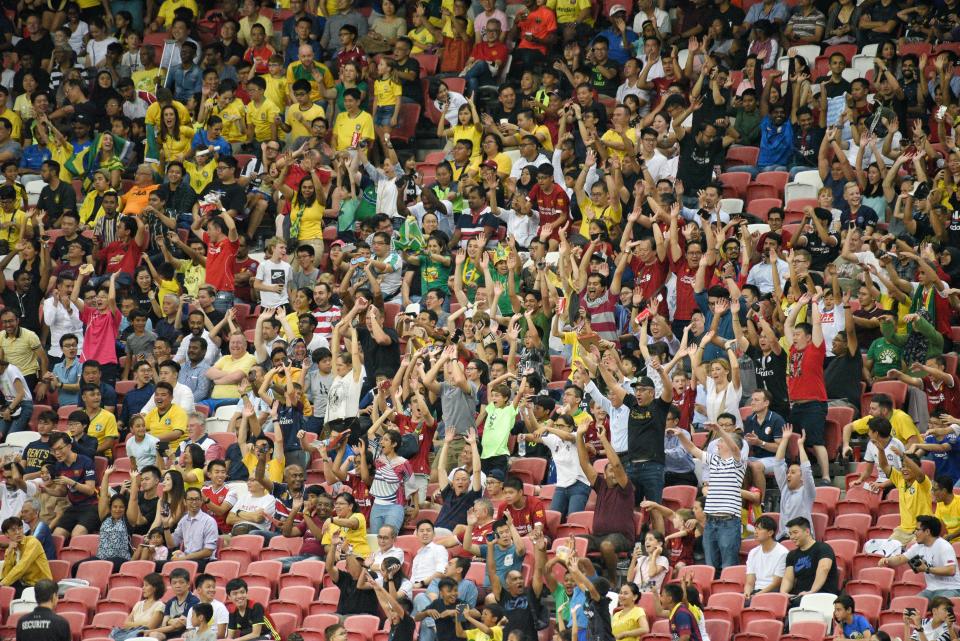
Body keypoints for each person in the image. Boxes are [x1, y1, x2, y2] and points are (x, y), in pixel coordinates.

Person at [879, 515, 960, 600]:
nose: (914, 532)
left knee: (939, 605)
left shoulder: (944, 546)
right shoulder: (918, 546)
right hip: (931, 590)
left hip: (952, 589)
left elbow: (951, 570)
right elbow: (901, 559)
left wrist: (927, 569)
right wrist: (887, 560)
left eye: (917, 530)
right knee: (912, 608)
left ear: (927, 531)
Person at [780, 516, 840, 605]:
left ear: (807, 532)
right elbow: (788, 579)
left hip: (822, 596)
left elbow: (824, 569)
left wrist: (811, 592)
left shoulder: (823, 548)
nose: (792, 537)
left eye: (795, 533)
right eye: (790, 534)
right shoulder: (792, 555)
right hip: (800, 596)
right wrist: (783, 593)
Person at [772, 425, 816, 540]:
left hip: (802, 539)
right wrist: (785, 439)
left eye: (792, 472)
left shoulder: (808, 492)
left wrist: (800, 446)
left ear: (801, 478)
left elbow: (806, 470)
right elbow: (777, 464)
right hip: (783, 537)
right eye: (788, 472)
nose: (788, 475)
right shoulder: (785, 488)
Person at [1, 516, 52, 595]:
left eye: (20, 528)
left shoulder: (32, 542)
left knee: (5, 590)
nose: (18, 532)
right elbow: (5, 575)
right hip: (25, 584)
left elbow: (22, 567)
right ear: (6, 534)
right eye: (13, 530)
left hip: (41, 586)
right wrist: (9, 553)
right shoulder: (11, 548)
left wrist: (2, 584)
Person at [744, 514, 788, 599]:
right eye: (755, 528)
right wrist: (747, 593)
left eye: (759, 529)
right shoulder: (753, 552)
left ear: (770, 533)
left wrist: (757, 595)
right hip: (756, 591)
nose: (755, 532)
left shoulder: (783, 553)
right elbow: (749, 582)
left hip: (772, 593)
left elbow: (776, 583)